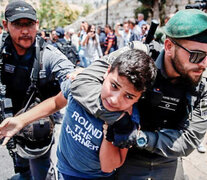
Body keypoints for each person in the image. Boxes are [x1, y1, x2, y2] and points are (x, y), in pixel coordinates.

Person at [65, 9, 207, 180]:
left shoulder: (201, 86)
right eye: (197, 55)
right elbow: (83, 83)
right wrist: (118, 118)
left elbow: (188, 141)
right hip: (129, 158)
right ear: (169, 47)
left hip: (167, 158)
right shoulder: (140, 55)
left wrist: (138, 137)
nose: (204, 64)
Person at [0, 49, 157, 179]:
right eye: (114, 86)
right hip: (63, 170)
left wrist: (109, 132)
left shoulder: (128, 120)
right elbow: (56, 102)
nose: (115, 100)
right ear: (107, 73)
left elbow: (109, 166)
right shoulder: (82, 89)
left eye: (128, 96)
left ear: (138, 98)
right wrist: (21, 120)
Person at [0, 1, 74, 180]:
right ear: (5, 25)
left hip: (35, 129)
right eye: (18, 24)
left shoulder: (47, 55)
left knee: (40, 175)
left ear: (37, 25)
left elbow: (73, 83)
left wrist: (76, 75)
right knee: (22, 172)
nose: (25, 31)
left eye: (30, 24)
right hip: (6, 122)